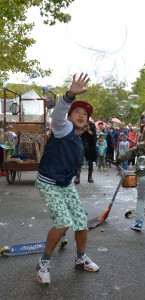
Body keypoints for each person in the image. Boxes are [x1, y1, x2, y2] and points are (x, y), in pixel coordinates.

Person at [35, 73, 99, 284]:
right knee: (63, 223)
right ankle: (44, 262)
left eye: (85, 114)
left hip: (65, 184)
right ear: (70, 117)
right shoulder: (63, 128)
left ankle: (80, 258)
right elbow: (58, 115)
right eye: (77, 112)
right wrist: (70, 94)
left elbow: (85, 160)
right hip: (48, 182)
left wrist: (93, 144)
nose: (81, 115)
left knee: (81, 222)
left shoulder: (80, 139)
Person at [74, 118, 97, 183]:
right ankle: (77, 177)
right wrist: (83, 130)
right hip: (82, 144)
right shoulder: (80, 124)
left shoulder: (92, 125)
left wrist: (88, 130)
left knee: (90, 161)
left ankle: (90, 177)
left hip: (90, 145)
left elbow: (94, 134)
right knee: (79, 161)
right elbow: (77, 134)